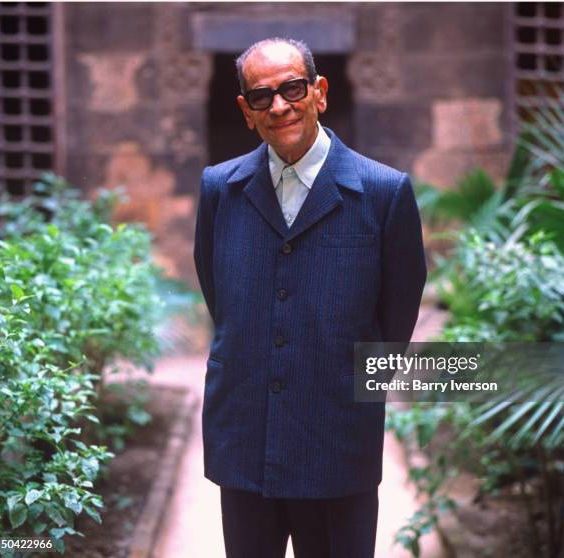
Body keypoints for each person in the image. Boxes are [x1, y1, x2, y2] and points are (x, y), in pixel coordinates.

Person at [194, 37, 426, 558]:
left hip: (336, 442)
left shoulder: (384, 192)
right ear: (246, 111)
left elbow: (396, 320)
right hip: (246, 436)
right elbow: (221, 301)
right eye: (261, 96)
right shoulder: (219, 189)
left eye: (292, 88)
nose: (279, 106)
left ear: (319, 92)